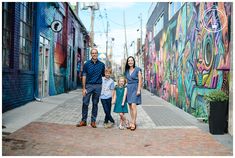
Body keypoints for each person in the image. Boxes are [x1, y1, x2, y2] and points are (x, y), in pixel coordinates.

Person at [76, 48, 105, 128]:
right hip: (88, 86)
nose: (94, 54)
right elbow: (84, 76)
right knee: (85, 103)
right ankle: (83, 120)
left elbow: (103, 75)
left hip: (98, 86)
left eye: (96, 53)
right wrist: (83, 88)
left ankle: (93, 121)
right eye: (93, 53)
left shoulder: (102, 65)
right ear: (91, 54)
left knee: (95, 104)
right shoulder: (87, 64)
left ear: (97, 54)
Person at [125, 56, 142, 131]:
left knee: (133, 105)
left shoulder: (138, 69)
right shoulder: (126, 70)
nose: (130, 62)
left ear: (134, 61)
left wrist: (138, 90)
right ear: (127, 62)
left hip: (135, 88)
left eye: (131, 60)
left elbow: (140, 81)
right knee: (130, 106)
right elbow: (126, 81)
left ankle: (134, 123)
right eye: (129, 61)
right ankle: (132, 121)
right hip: (129, 88)